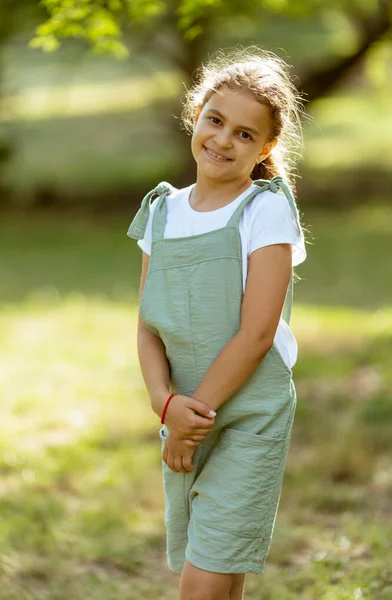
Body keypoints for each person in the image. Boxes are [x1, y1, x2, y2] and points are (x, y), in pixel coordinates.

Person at [127, 46, 307, 600]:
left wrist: (191, 414)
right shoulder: (161, 211)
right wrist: (166, 405)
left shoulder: (264, 209)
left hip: (247, 412)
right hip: (183, 412)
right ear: (196, 113)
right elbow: (147, 325)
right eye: (216, 120)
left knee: (204, 579)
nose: (224, 140)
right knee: (219, 573)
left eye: (245, 134)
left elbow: (256, 334)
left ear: (266, 148)